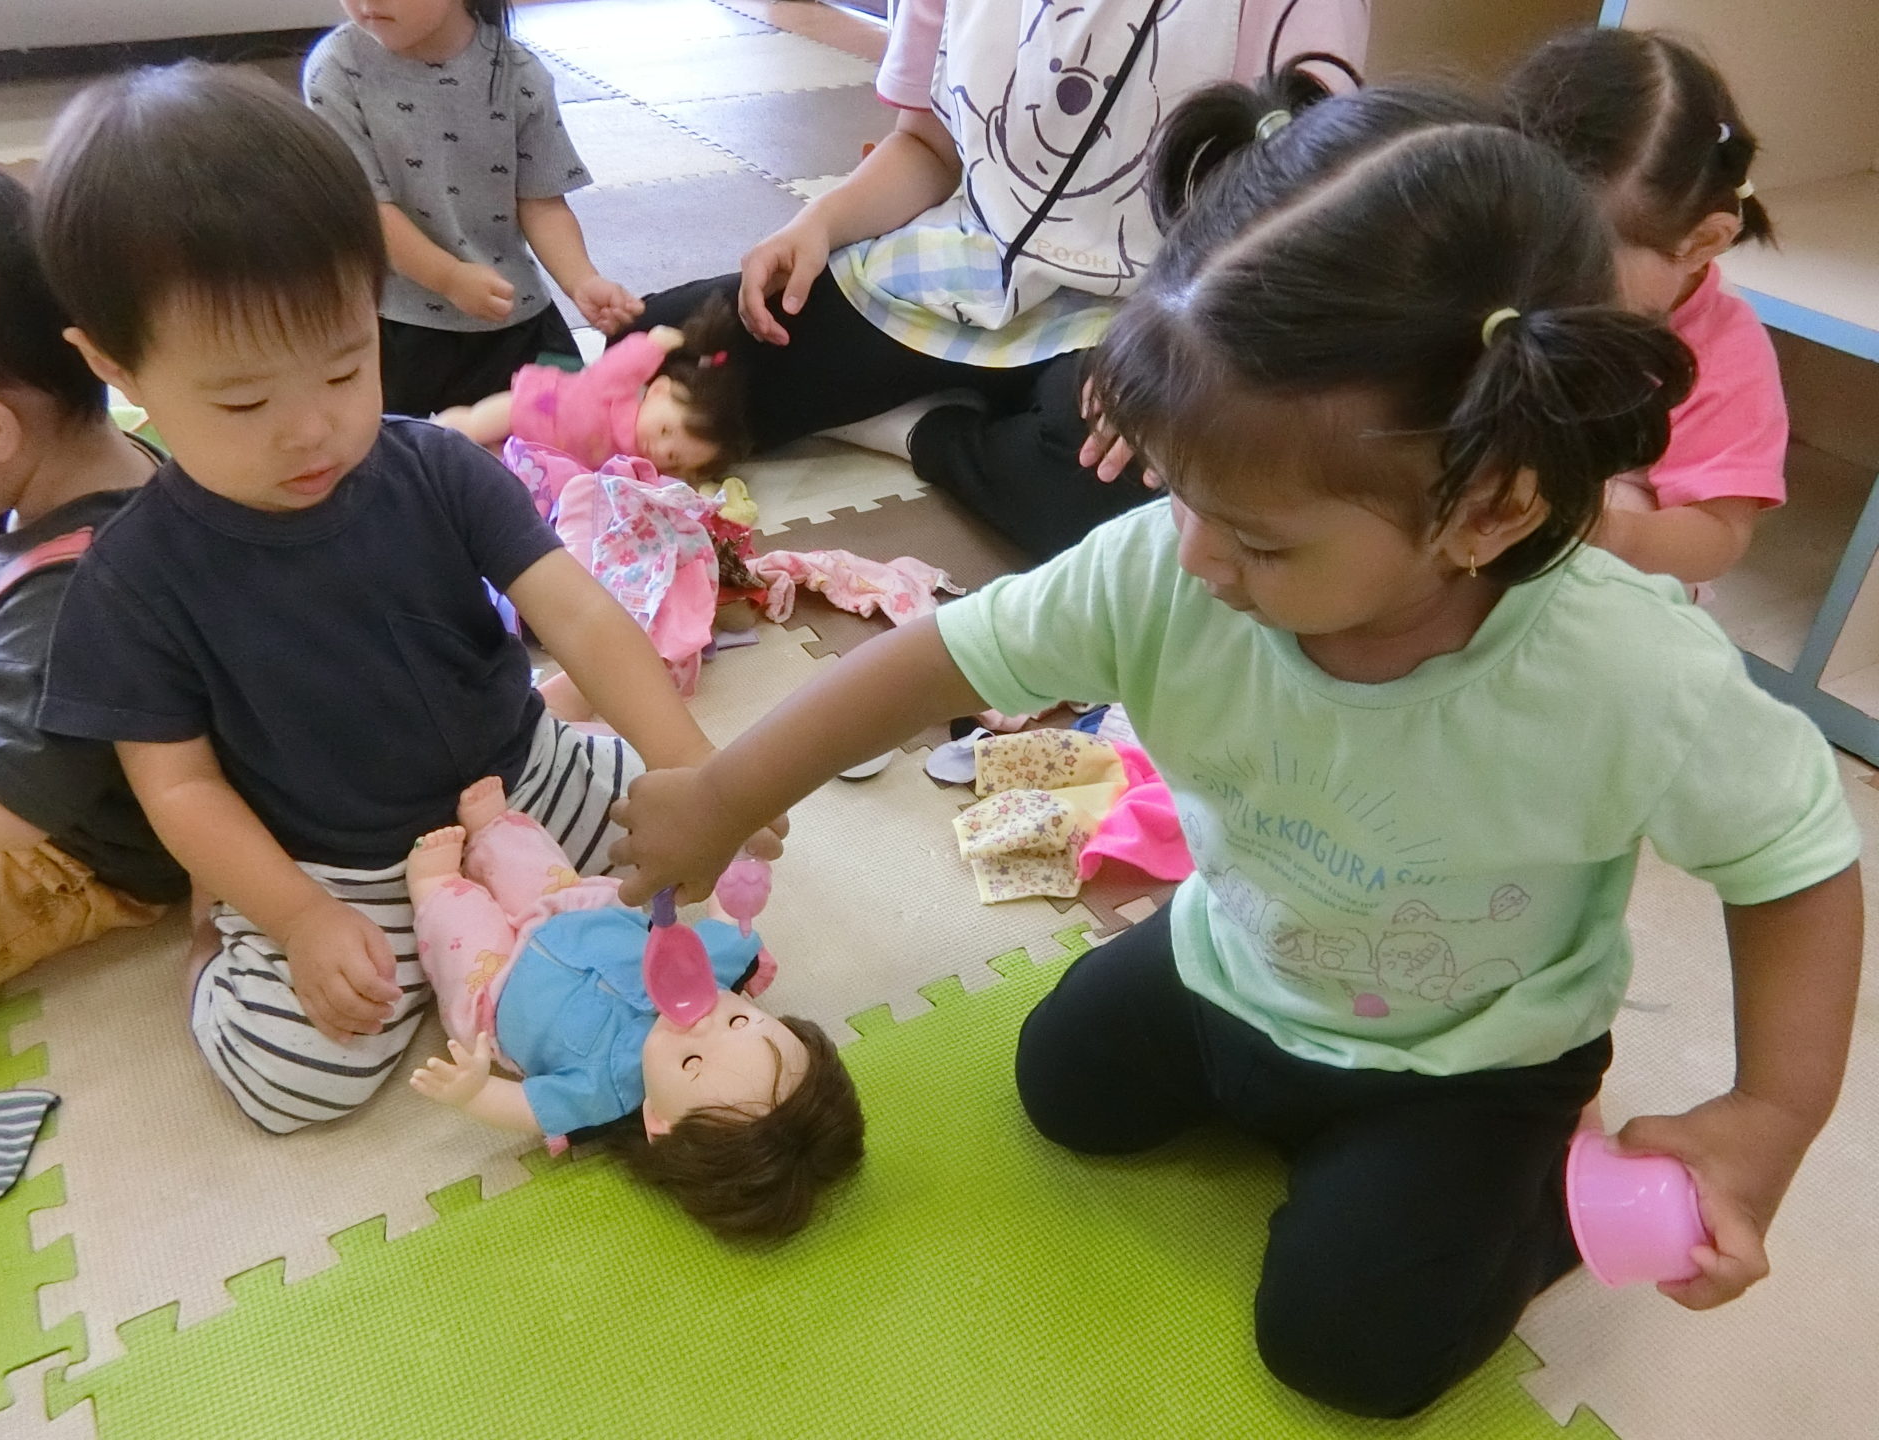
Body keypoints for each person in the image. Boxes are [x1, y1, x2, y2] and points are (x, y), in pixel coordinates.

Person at [605, 78, 1863, 1418]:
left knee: (1345, 1354)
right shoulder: (1170, 564)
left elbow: (1794, 861)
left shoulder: (1622, 667)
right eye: (1179, 491)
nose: (1197, 559)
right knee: (1062, 1089)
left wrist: (1769, 1118)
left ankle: (1531, 1199)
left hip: (1470, 1062)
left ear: (1487, 511)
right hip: (1237, 962)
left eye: (1259, 538)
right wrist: (725, 791)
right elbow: (941, 659)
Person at [30, 64, 775, 1134]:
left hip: (520, 772)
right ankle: (212, 948)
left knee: (689, 874)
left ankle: (524, 856)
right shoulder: (130, 578)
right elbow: (181, 786)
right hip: (336, 860)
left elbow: (580, 616)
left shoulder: (435, 465)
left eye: (345, 368)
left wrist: (695, 770)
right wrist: (296, 918)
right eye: (243, 400)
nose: (311, 429)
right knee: (298, 1084)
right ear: (117, 368)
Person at [632, 0, 1368, 561]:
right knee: (657, 346)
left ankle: (919, 429)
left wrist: (1167, 352)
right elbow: (929, 145)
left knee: (1117, 495)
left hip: (1147, 303)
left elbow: (1286, 220)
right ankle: (953, 397)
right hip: (961, 262)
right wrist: (819, 223)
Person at [404, 775, 863, 1240]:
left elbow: (528, 1108)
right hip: (575, 911)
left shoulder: (602, 1094)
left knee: (456, 924)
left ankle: (434, 884)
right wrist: (736, 865)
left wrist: (474, 1092)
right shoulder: (710, 972)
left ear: (658, 1122)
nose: (701, 1024)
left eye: (692, 1061)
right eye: (739, 1019)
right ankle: (493, 828)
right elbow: (730, 922)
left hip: (496, 984)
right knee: (530, 861)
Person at [0, 156, 187, 1002]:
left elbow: (4, 812)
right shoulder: (116, 463)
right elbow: (21, 612)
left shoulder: (75, 595)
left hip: (77, 852)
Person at [1507, 27, 1784, 588]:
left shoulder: (1725, 351)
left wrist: (1604, 531)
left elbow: (1718, 536)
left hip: (1611, 574)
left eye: (1586, 275)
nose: (1546, 291)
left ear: (1700, 243)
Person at [303, 0, 642, 416]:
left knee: (574, 422)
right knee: (385, 445)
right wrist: (448, 277)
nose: (367, 3)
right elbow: (367, 210)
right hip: (391, 321)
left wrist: (582, 280)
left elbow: (541, 202)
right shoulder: (336, 68)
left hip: (508, 311)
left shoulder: (518, 73)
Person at [438, 293, 751, 483]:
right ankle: (428, 438)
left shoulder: (637, 467)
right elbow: (620, 364)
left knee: (488, 473)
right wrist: (654, 345)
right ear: (657, 392)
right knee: (471, 426)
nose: (658, 449)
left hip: (536, 462)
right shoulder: (614, 393)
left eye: (673, 458)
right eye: (665, 431)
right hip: (534, 408)